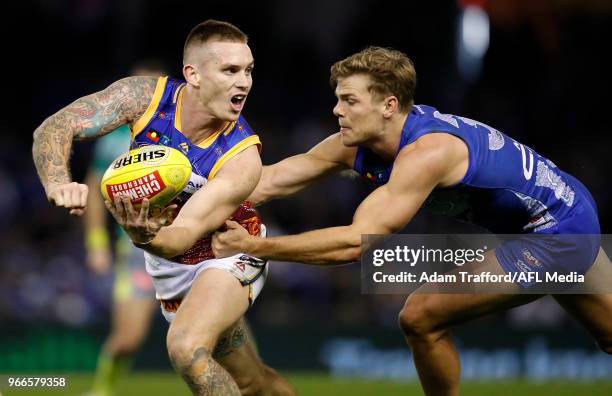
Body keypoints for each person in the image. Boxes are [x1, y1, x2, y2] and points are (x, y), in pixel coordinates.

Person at [211, 46, 612, 396]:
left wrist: (255, 246)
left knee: (420, 316)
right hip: (568, 205)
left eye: (349, 100)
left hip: (558, 233)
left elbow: (356, 243)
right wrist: (185, 194)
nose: (337, 110)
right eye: (338, 99)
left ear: (388, 106)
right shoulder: (359, 142)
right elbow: (269, 180)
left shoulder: (427, 152)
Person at [33, 19, 294, 396]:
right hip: (167, 266)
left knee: (186, 348)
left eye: (249, 70)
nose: (245, 82)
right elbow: (55, 127)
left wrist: (145, 237)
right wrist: (57, 181)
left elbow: (183, 235)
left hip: (223, 253)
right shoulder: (144, 98)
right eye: (231, 70)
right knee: (252, 382)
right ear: (194, 74)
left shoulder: (242, 159)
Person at [82, 60, 175, 396]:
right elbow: (93, 192)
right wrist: (96, 243)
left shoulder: (184, 133)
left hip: (189, 250)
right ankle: (101, 391)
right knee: (127, 339)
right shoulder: (112, 141)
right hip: (137, 254)